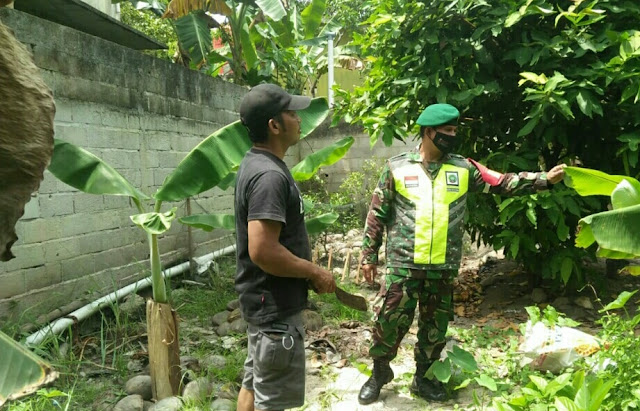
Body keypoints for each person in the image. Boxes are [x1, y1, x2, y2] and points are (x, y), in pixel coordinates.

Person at [357, 103, 566, 404]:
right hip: (403, 265)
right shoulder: (397, 167)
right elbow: (377, 213)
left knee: (434, 328)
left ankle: (424, 379)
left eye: (455, 131)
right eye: (448, 131)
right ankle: (379, 374)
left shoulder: (463, 168)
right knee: (388, 321)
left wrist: (543, 179)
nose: (453, 136)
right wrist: (367, 255)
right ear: (429, 132)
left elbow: (502, 182)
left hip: (442, 267)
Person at [234, 83, 337, 411]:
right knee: (273, 401)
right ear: (274, 125)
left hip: (263, 306)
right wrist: (314, 271)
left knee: (254, 382)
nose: (298, 118)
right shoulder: (269, 176)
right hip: (275, 310)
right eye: (291, 113)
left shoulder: (257, 163)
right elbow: (262, 250)